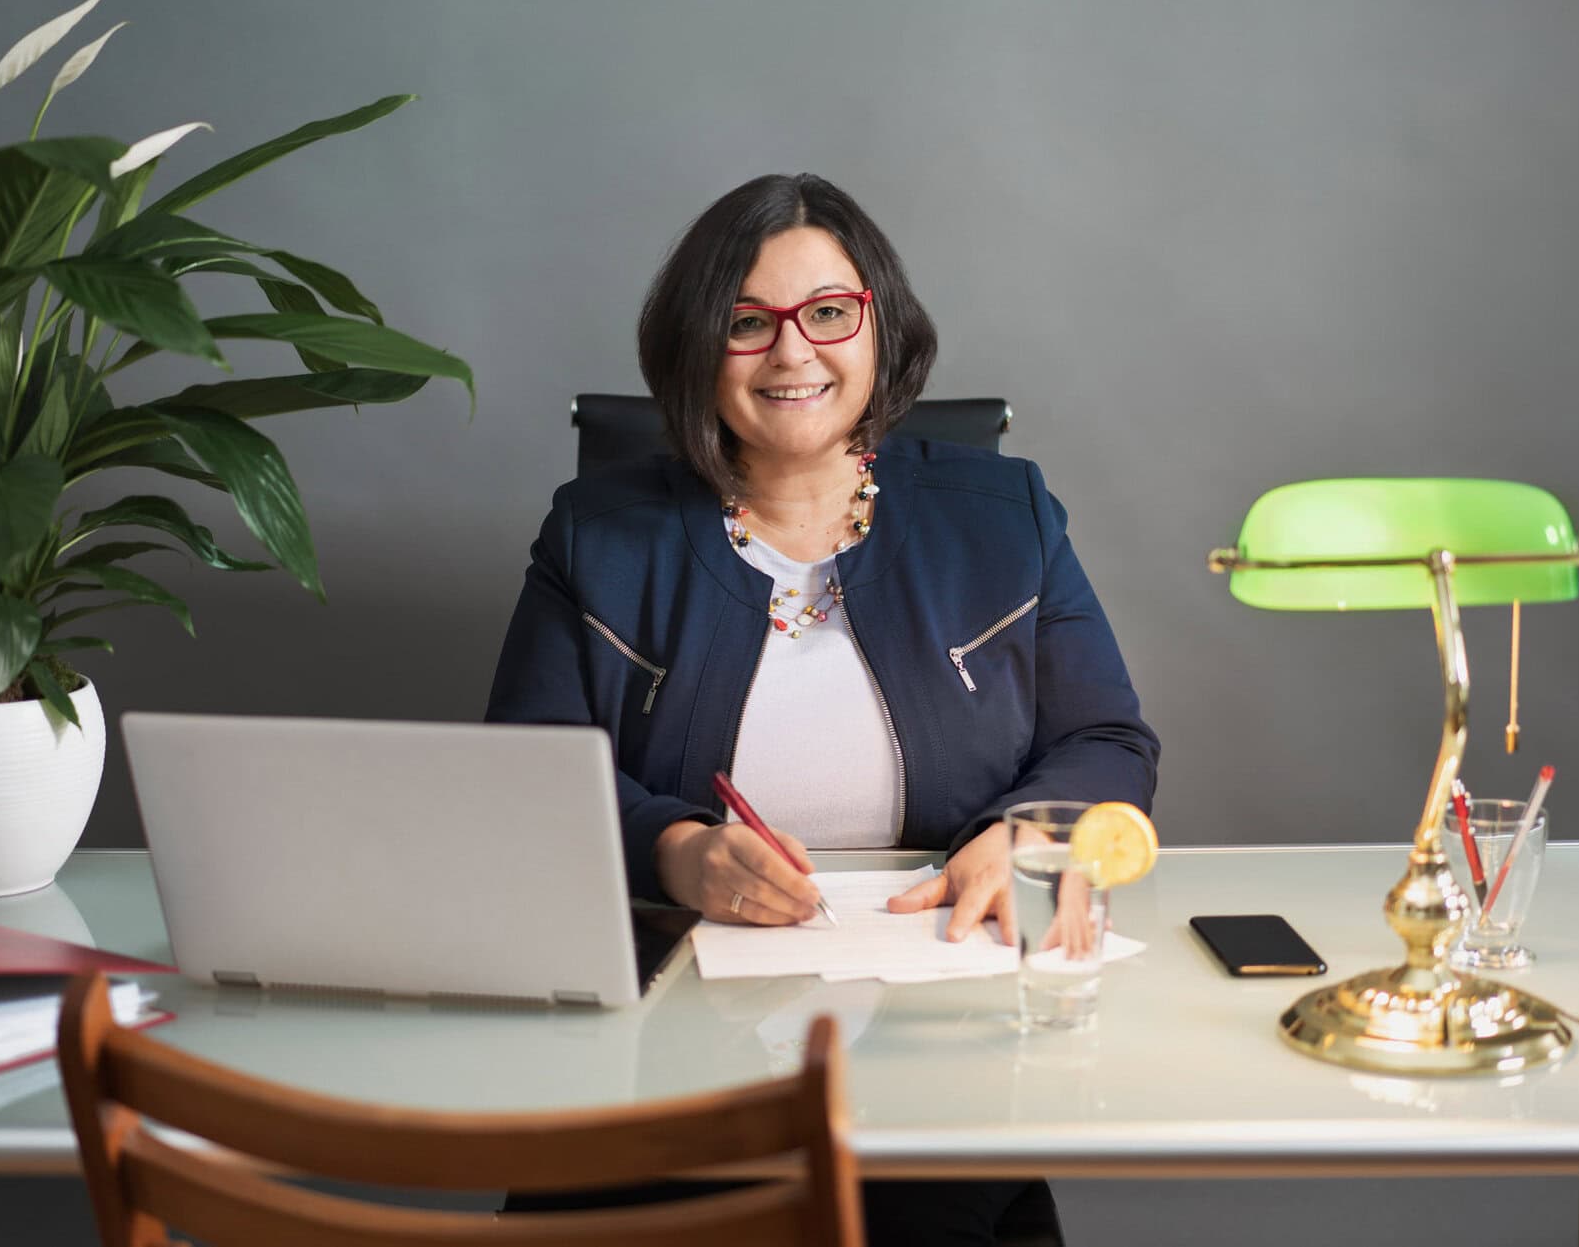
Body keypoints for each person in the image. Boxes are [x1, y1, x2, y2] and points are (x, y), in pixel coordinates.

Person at [486, 173, 1159, 1245]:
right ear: (696, 347)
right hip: (663, 1029)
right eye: (746, 322)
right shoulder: (596, 533)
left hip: (943, 1019)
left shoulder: (1005, 515)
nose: (793, 352)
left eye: (829, 312)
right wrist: (675, 851)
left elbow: (1105, 740)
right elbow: (525, 775)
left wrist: (1022, 837)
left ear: (880, 326)